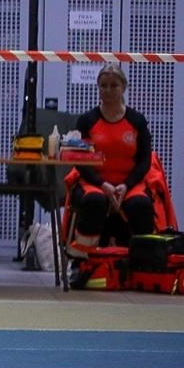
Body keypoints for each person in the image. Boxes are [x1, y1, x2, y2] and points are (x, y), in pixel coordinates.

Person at [65, 66, 158, 269]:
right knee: (94, 201)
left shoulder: (137, 121)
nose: (108, 90)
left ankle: (142, 265)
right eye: (103, 86)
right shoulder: (87, 120)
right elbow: (79, 160)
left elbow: (144, 162)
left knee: (141, 206)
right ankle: (81, 262)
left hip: (129, 184)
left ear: (124, 87)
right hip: (94, 182)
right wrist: (103, 184)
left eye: (113, 85)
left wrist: (125, 186)